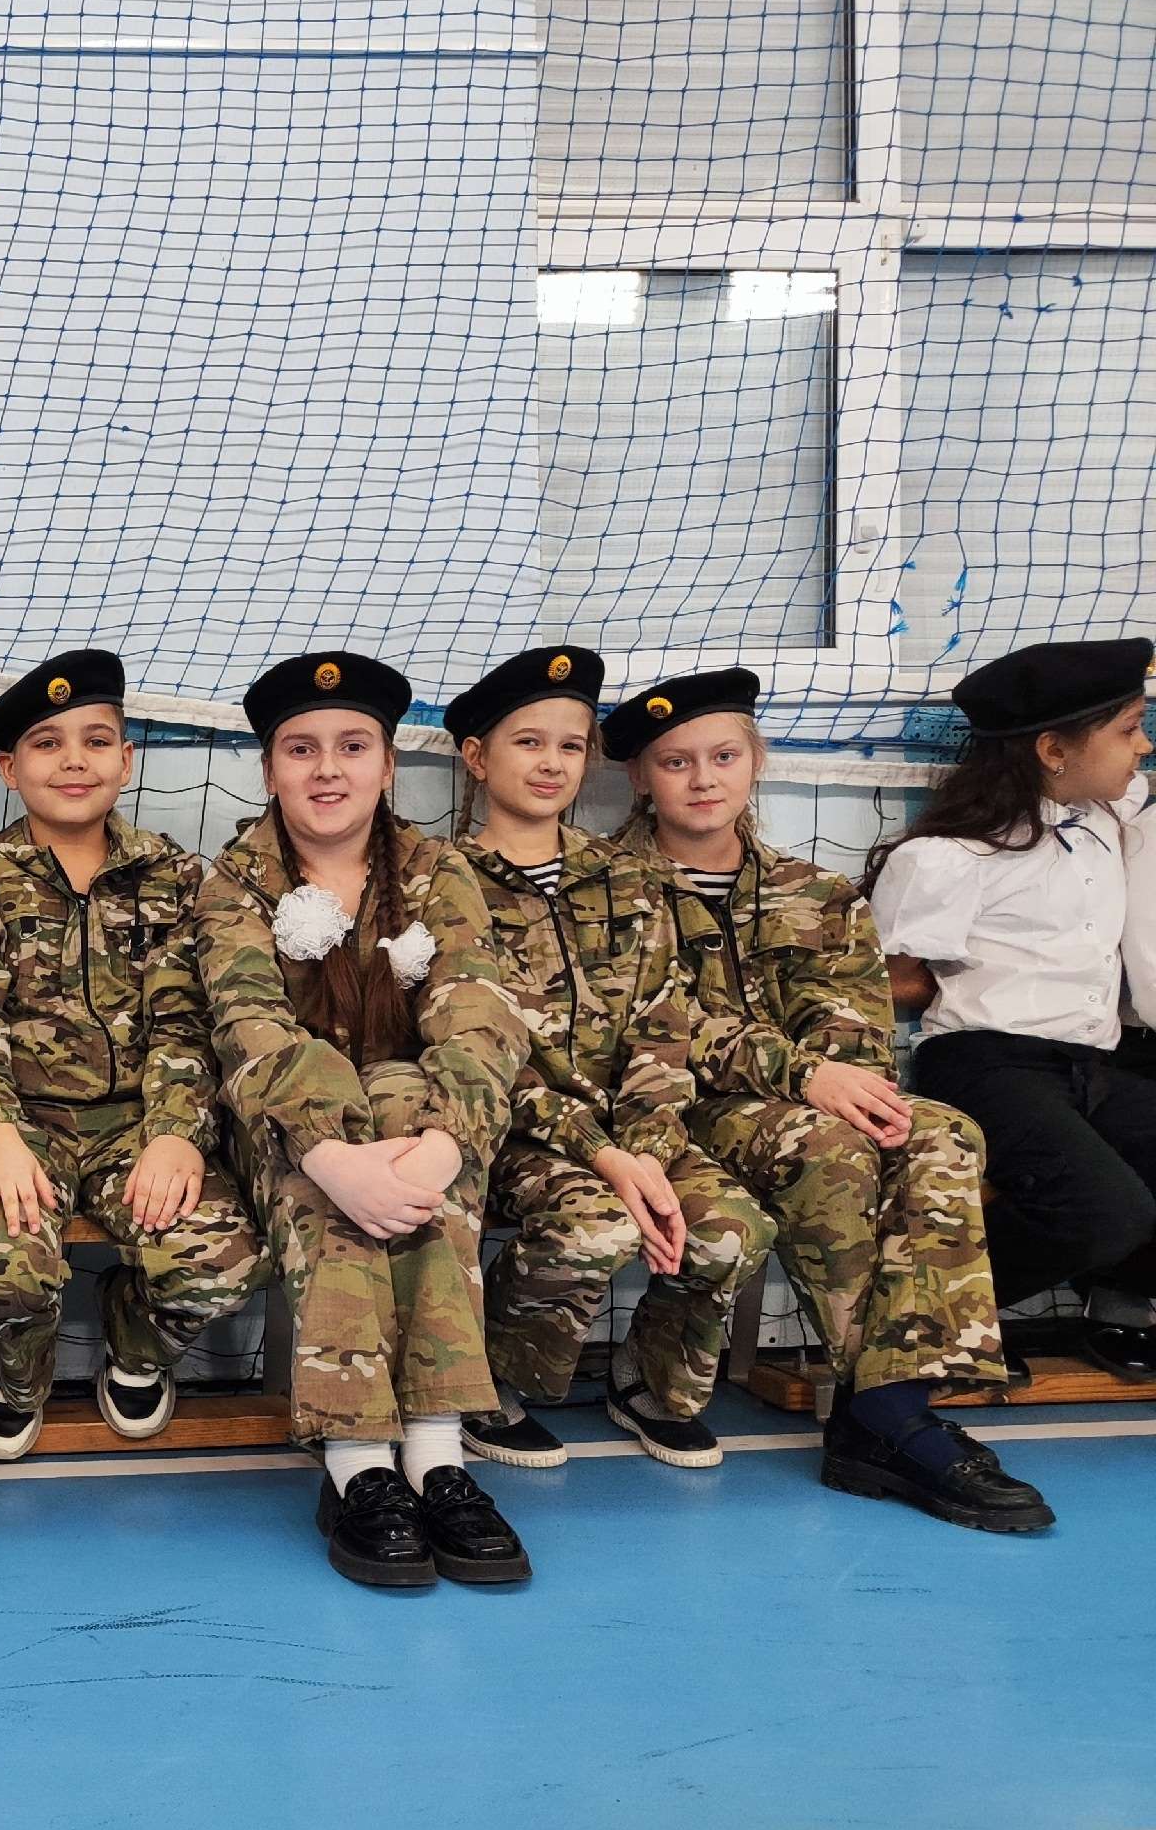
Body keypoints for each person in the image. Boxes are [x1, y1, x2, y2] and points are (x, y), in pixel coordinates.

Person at [607, 669, 1048, 1531]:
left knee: (942, 1134)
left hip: (801, 1104)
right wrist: (805, 1077)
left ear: (755, 760)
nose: (704, 780)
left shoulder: (817, 893)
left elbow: (854, 1022)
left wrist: (844, 1085)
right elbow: (645, 1025)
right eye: (676, 762)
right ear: (640, 776)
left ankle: (888, 1407)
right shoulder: (609, 890)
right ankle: (889, 1419)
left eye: (724, 756)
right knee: (829, 1148)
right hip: (666, 1108)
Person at [197, 653, 532, 1587]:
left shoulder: (436, 871)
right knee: (339, 1166)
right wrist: (330, 1155)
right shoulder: (235, 881)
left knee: (413, 1128)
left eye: (353, 747)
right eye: (301, 749)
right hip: (282, 1132)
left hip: (423, 1125)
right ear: (270, 770)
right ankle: (358, 1468)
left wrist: (443, 1145)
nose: (328, 769)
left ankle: (436, 1459)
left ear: (387, 766)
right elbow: (249, 1024)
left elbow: (478, 1011)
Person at [0, 650, 266, 1461]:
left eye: (96, 740)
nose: (74, 760)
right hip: (21, 1126)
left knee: (220, 1264)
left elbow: (188, 1020)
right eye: (47, 743)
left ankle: (137, 1348)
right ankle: (19, 1373)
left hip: (139, 1125)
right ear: (10, 769)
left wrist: (176, 1132)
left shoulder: (175, 875)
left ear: (126, 759)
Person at [447, 647, 776, 1469]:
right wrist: (604, 1156)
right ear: (477, 758)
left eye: (570, 745)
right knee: (596, 1227)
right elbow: (477, 1058)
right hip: (508, 1133)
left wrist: (649, 1149)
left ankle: (648, 1382)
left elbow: (663, 1028)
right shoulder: (441, 881)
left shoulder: (627, 878)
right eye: (528, 742)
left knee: (731, 1229)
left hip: (633, 1130)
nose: (551, 763)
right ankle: (490, 1381)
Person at [869, 636, 1156, 1388]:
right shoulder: (950, 857)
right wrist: (973, 985)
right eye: (1129, 729)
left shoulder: (1106, 814)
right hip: (989, 1064)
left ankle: (1095, 1302)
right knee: (1104, 1210)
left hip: (1092, 1063)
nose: (1144, 745)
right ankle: (934, 1322)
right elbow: (889, 983)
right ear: (1053, 750)